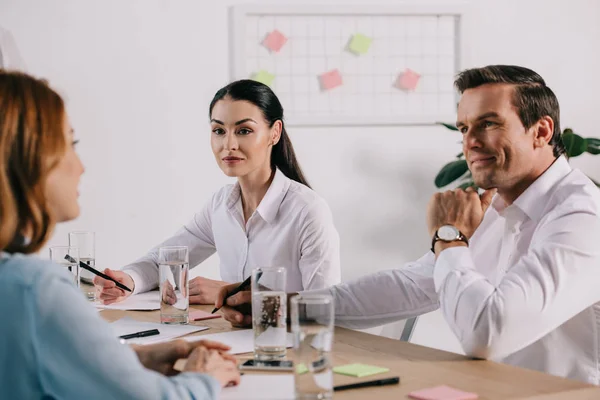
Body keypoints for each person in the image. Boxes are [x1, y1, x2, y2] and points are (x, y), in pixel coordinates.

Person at [215, 65, 600, 384]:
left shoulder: (581, 216)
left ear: (542, 131)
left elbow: (488, 334)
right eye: (465, 128)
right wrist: (286, 307)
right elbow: (411, 285)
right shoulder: (497, 207)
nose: (471, 142)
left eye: (488, 124)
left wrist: (450, 236)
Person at [0, 71, 240, 399]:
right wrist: (204, 378)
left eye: (243, 131)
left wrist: (136, 360)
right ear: (28, 159)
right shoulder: (33, 289)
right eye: (70, 144)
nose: (81, 166)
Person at [96, 79, 341, 305]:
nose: (228, 145)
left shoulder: (307, 211)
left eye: (244, 130)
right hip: (232, 341)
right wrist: (128, 280)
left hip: (289, 347)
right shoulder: (221, 205)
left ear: (274, 133)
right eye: (219, 131)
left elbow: (325, 304)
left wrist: (234, 293)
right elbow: (166, 258)